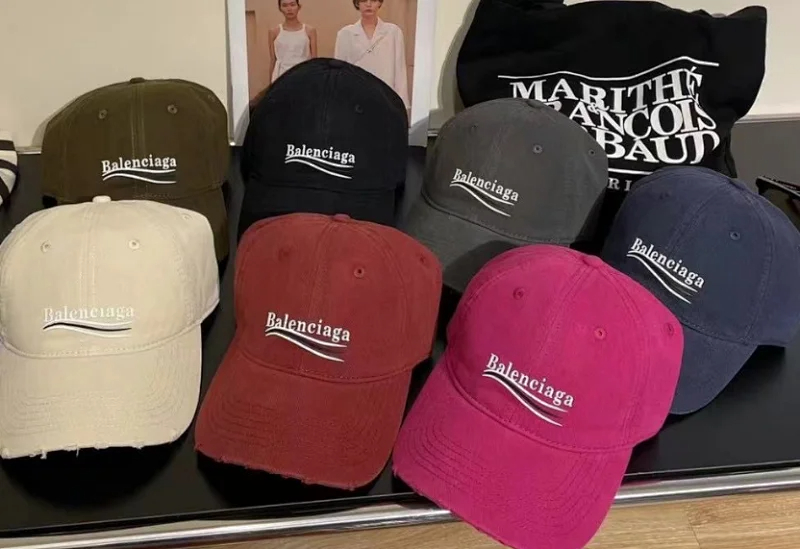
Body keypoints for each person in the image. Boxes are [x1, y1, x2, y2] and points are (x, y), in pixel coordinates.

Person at [334, 0, 410, 110]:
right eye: (364, 0)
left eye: (373, 0)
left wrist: (402, 105)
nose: (368, 4)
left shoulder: (393, 32)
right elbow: (339, 73)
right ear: (357, 3)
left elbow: (400, 71)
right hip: (356, 99)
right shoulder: (345, 34)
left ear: (379, 3)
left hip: (386, 98)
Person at [269, 0, 317, 83]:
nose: (289, 9)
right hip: (281, 76)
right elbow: (273, 60)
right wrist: (270, 85)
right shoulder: (274, 32)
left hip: (304, 75)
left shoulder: (309, 31)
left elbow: (314, 61)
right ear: (280, 8)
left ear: (299, 6)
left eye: (292, 4)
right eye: (285, 5)